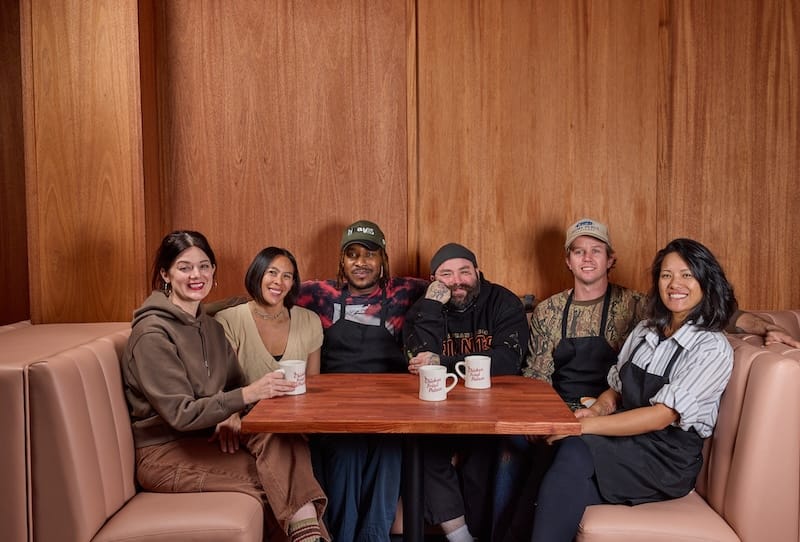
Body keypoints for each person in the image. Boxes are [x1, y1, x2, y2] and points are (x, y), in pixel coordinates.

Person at [121, 231, 328, 542]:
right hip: (164, 453)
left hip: (206, 441)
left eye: (204, 266)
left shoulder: (209, 325)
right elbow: (181, 414)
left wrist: (233, 410)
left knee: (285, 441)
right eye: (184, 267)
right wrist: (248, 394)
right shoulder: (152, 335)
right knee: (278, 485)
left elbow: (232, 382)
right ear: (165, 273)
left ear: (213, 271)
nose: (196, 275)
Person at [529, 238, 737, 541]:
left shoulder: (711, 347)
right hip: (628, 443)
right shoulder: (646, 330)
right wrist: (598, 408)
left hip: (665, 458)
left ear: (706, 280)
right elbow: (616, 389)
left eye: (687, 274)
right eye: (666, 275)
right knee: (557, 470)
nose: (674, 284)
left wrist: (582, 426)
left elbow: (660, 416)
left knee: (571, 448)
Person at [494, 218, 646, 541]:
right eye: (579, 251)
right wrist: (544, 421)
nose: (587, 258)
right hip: (555, 412)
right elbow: (536, 376)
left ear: (611, 259)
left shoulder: (636, 306)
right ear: (568, 260)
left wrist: (753, 322)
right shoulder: (549, 311)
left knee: (560, 452)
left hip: (611, 416)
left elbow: (692, 310)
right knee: (509, 444)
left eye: (596, 251)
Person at [295, 220, 428, 542]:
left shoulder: (405, 291)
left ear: (383, 260)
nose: (361, 263)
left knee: (390, 452)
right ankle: (342, 536)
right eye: (352, 255)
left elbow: (452, 287)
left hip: (391, 405)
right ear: (342, 261)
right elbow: (266, 295)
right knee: (345, 453)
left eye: (370, 255)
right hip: (335, 406)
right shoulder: (319, 294)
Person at [403, 242, 529, 542]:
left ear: (478, 272)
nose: (456, 280)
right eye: (445, 274)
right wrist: (431, 306)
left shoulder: (503, 302)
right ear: (434, 280)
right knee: (423, 453)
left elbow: (508, 362)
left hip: (491, 411)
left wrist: (443, 363)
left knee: (484, 457)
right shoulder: (423, 309)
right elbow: (418, 362)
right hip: (437, 413)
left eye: (464, 271)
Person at [215, 246, 323, 383]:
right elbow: (230, 391)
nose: (279, 281)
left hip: (300, 403)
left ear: (292, 284)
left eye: (287, 276)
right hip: (248, 405)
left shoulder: (310, 320)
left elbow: (313, 383)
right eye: (272, 272)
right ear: (257, 274)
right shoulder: (228, 320)